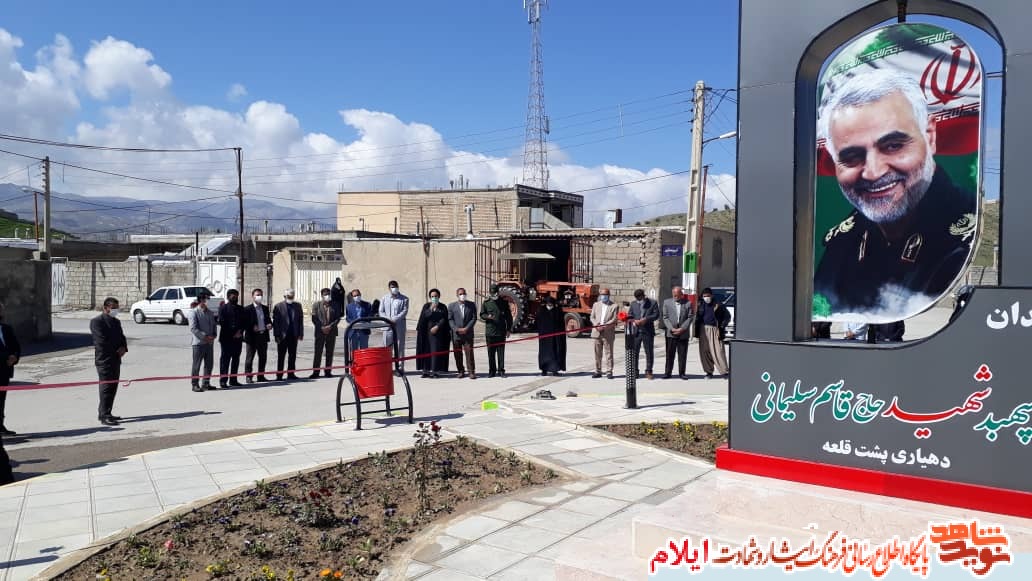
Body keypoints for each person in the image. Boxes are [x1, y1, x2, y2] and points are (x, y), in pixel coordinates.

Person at [814, 68, 977, 318]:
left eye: (893, 146)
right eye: (851, 156)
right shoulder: (842, 243)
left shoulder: (968, 243)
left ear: (930, 137)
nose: (873, 172)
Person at [90, 297, 127, 425]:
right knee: (106, 387)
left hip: (116, 359)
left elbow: (122, 337)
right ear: (105, 308)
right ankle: (103, 415)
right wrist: (116, 350)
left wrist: (123, 347)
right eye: (113, 308)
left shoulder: (116, 322)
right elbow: (101, 342)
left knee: (113, 387)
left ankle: (108, 412)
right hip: (104, 360)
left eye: (117, 308)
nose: (116, 310)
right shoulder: (97, 322)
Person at [695, 288, 730, 379]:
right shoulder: (700, 305)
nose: (706, 298)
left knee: (718, 351)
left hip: (715, 329)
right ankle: (709, 372)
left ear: (712, 296)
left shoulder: (719, 305)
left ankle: (725, 372)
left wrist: (722, 326)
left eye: (708, 296)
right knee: (705, 351)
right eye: (704, 296)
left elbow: (727, 316)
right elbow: (697, 318)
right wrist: (697, 331)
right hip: (703, 329)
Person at [415, 288, 450, 378]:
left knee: (435, 351)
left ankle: (435, 371)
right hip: (426, 332)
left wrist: (437, 326)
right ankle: (426, 371)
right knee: (426, 351)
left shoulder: (443, 306)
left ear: (439, 296)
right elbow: (424, 317)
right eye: (432, 296)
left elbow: (444, 319)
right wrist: (431, 308)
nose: (434, 298)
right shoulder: (427, 306)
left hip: (437, 332)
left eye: (436, 296)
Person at [480, 284, 513, 378]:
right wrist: (487, 316)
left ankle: (501, 370)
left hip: (501, 332)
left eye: (494, 293)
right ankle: (492, 371)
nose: (493, 295)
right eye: (492, 293)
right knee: (491, 353)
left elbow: (509, 317)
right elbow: (482, 314)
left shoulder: (503, 302)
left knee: (501, 352)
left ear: (498, 293)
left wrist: (509, 329)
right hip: (490, 332)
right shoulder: (486, 302)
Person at [627, 289, 660, 379]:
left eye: (640, 298)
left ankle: (649, 371)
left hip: (648, 331)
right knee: (635, 352)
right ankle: (635, 371)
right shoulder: (633, 304)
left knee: (649, 352)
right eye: (637, 299)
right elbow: (629, 315)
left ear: (643, 296)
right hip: (636, 332)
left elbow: (656, 315)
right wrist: (634, 321)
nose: (638, 300)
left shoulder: (652, 303)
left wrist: (646, 319)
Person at [189, 291, 218, 392]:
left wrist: (214, 335)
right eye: (206, 299)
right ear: (201, 300)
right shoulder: (194, 312)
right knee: (196, 365)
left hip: (209, 343)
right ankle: (195, 384)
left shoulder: (210, 313)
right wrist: (205, 337)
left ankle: (206, 383)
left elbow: (214, 326)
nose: (208, 301)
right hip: (198, 343)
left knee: (209, 364)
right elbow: (193, 328)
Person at [309, 288, 341, 379]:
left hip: (331, 331)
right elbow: (314, 318)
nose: (327, 296)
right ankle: (316, 372)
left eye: (328, 294)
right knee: (318, 352)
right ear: (322, 296)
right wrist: (322, 327)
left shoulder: (335, 305)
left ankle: (328, 371)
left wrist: (330, 326)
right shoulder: (316, 305)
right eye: (325, 294)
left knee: (329, 352)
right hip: (320, 332)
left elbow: (337, 318)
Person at [662, 286, 693, 379]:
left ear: (681, 294)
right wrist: (671, 328)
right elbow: (665, 317)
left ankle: (682, 373)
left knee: (682, 354)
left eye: (677, 295)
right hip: (671, 333)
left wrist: (682, 328)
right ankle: (668, 373)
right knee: (669, 354)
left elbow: (690, 317)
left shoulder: (688, 303)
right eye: (674, 295)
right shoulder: (666, 302)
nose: (675, 296)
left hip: (683, 333)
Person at [0, 302, 22, 436]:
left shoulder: (6, 328)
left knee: (1, 400)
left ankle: (0, 426)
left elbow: (16, 346)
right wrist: (5, 358)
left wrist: (14, 357)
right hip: (3, 364)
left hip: (5, 371)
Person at [217, 289, 246, 388]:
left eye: (237, 296)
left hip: (238, 339)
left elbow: (244, 322)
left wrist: (240, 332)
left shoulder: (241, 308)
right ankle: (223, 381)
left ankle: (233, 380)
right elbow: (222, 322)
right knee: (225, 360)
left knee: (236, 359)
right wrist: (233, 333)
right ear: (228, 297)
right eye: (233, 296)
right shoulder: (223, 308)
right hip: (226, 339)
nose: (235, 298)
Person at [273, 288, 304, 381]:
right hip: (282, 336)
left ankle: (291, 373)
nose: (291, 298)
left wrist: (301, 333)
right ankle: (279, 375)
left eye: (292, 296)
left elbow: (300, 321)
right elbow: (276, 323)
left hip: (293, 335)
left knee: (292, 355)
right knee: (281, 356)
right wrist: (276, 335)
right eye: (289, 296)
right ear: (284, 296)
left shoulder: (298, 306)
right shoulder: (278, 306)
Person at [379, 281, 409, 372]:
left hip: (399, 326)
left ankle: (399, 368)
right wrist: (388, 320)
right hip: (387, 327)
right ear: (389, 288)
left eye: (395, 286)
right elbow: (381, 311)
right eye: (392, 287)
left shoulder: (404, 299)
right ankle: (387, 368)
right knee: (387, 348)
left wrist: (394, 319)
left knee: (400, 347)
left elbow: (404, 311)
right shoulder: (384, 298)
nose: (394, 288)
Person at [243, 288, 272, 383]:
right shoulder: (247, 309)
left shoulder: (265, 308)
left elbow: (268, 319)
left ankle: (261, 375)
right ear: (253, 296)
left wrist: (269, 324)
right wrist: (252, 327)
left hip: (263, 336)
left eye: (261, 295)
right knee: (250, 358)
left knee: (263, 357)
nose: (259, 297)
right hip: (252, 337)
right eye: (257, 295)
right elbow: (245, 323)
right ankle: (248, 376)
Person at [448, 287, 478, 379]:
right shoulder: (451, 306)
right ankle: (460, 371)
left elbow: (474, 318)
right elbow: (450, 319)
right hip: (456, 335)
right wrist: (456, 329)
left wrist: (467, 328)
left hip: (468, 334)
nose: (462, 295)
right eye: (460, 294)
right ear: (457, 295)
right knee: (457, 353)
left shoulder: (471, 305)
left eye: (464, 293)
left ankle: (471, 372)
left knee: (469, 353)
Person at [590, 288, 618, 379]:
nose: (603, 296)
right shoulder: (596, 305)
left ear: (608, 295)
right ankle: (598, 371)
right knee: (597, 353)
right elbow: (592, 317)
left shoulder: (614, 306)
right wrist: (596, 325)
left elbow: (614, 319)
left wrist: (604, 326)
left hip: (608, 332)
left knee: (609, 353)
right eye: (602, 295)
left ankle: (609, 371)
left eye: (605, 295)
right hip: (597, 332)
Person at [535, 296, 566, 376]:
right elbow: (537, 322)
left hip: (555, 337)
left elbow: (561, 324)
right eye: (548, 303)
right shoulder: (541, 310)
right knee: (544, 354)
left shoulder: (557, 310)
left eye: (551, 303)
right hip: (544, 337)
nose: (549, 305)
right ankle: (544, 370)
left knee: (555, 352)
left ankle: (555, 370)